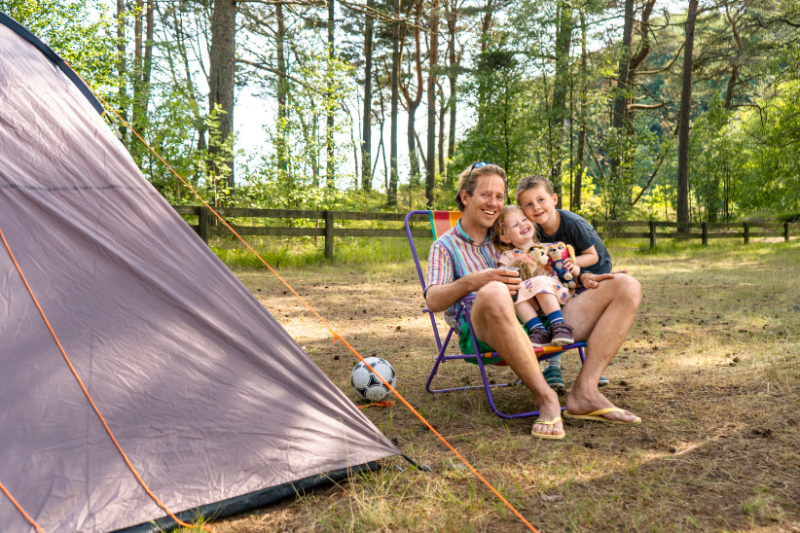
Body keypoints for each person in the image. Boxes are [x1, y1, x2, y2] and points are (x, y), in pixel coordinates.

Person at [425, 163, 641, 440]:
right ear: (466, 198)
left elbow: (548, 272)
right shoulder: (445, 246)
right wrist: (474, 281)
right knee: (494, 291)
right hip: (485, 333)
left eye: (500, 196)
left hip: (542, 325)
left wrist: (580, 278)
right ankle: (546, 398)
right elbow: (432, 300)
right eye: (485, 195)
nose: (494, 203)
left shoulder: (511, 235)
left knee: (626, 286)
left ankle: (585, 393)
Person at [517, 175, 613, 391]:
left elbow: (593, 256)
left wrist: (571, 263)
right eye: (529, 204)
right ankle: (552, 367)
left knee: (578, 313)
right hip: (562, 276)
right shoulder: (534, 228)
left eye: (541, 200)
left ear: (554, 199)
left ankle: (592, 367)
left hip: (593, 271)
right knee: (546, 303)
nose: (537, 208)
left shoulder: (573, 224)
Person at [491, 205, 575, 347]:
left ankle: (559, 326)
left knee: (540, 281)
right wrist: (514, 262)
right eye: (515, 225)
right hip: (530, 302)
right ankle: (538, 330)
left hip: (555, 296)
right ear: (506, 238)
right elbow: (501, 275)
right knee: (512, 294)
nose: (523, 224)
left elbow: (563, 266)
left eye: (524, 219)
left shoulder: (548, 248)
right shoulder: (509, 256)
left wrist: (571, 266)